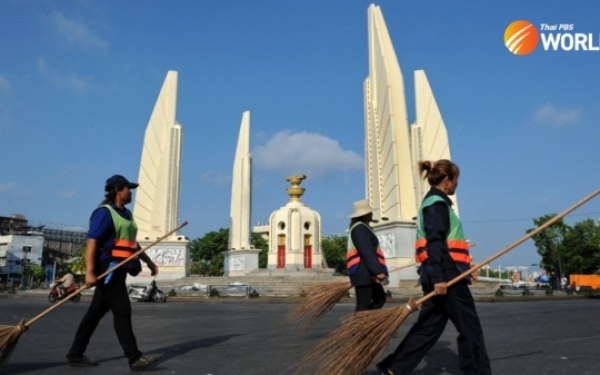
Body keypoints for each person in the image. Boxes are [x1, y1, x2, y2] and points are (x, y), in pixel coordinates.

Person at [377, 160, 491, 375]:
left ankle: (393, 369)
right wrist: (440, 277)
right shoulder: (437, 204)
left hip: (438, 271)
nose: (457, 185)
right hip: (445, 275)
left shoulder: (433, 202)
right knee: (470, 328)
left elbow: (447, 243)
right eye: (456, 180)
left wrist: (467, 265)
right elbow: (435, 242)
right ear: (447, 181)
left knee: (428, 328)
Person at [65, 174, 158, 371]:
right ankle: (134, 357)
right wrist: (90, 272)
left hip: (121, 268)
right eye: (127, 188)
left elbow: (132, 243)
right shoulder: (104, 213)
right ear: (117, 190)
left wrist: (148, 261)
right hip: (108, 268)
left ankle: (75, 353)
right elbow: (92, 242)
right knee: (122, 310)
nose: (130, 192)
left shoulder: (127, 214)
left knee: (95, 313)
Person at [346, 199, 388, 311]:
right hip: (363, 273)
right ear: (365, 214)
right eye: (370, 212)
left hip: (366, 273)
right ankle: (356, 327)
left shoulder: (362, 227)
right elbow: (367, 251)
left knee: (379, 298)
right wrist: (378, 271)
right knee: (363, 305)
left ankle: (366, 324)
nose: (372, 214)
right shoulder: (360, 228)